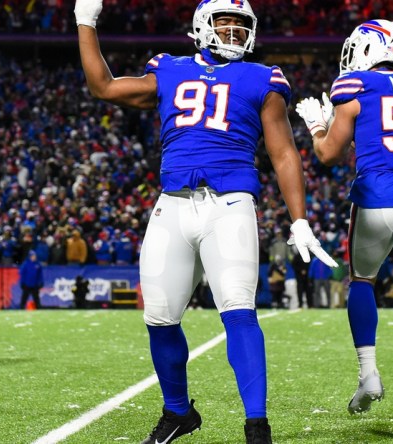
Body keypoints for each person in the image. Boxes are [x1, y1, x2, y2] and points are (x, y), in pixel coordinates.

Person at [75, 0, 337, 441]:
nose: (234, 31)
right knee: (159, 317)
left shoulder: (262, 78)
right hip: (172, 204)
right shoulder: (169, 68)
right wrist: (86, 22)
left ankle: (257, 427)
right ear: (202, 26)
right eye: (225, 22)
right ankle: (178, 412)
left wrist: (300, 220)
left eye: (241, 24)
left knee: (238, 311)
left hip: (229, 205)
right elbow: (102, 86)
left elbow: (283, 152)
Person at [295, 20, 393, 430]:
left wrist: (318, 126)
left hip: (374, 197)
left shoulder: (354, 87)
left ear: (366, 49)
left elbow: (327, 154)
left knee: (362, 281)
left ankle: (369, 374)